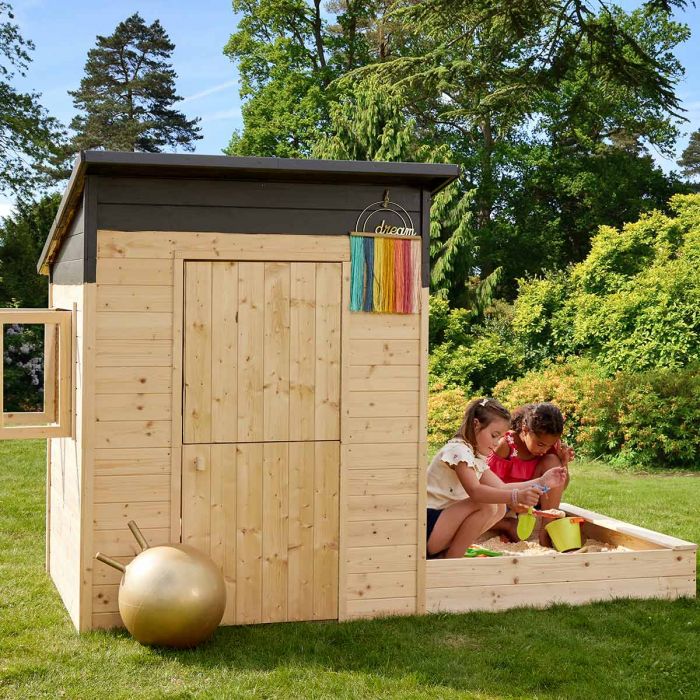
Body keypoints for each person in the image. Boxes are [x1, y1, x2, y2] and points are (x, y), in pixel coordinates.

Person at [426, 397, 568, 559]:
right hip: (427, 526)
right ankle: (453, 558)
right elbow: (476, 492)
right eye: (494, 435)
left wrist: (542, 481)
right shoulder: (457, 450)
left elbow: (500, 487)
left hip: (441, 527)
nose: (496, 443)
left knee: (498, 506)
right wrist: (516, 496)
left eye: (500, 436)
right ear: (476, 425)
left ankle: (449, 554)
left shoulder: (474, 456)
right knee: (485, 503)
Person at [487, 402, 573, 546]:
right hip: (504, 500)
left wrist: (564, 463)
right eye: (540, 444)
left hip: (532, 501)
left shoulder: (549, 447)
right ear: (525, 429)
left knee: (552, 460)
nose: (544, 449)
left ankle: (546, 529)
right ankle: (506, 525)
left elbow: (560, 486)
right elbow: (487, 486)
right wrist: (511, 501)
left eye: (549, 445)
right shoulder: (506, 445)